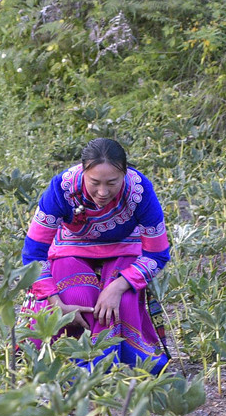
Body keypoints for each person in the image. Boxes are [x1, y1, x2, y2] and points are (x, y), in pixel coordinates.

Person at [22, 137, 171, 370]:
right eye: (94, 182)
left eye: (112, 182)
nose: (102, 192)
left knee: (120, 302)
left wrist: (118, 286)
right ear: (83, 172)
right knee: (76, 298)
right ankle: (68, 366)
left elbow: (158, 254)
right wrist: (54, 302)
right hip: (70, 247)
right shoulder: (61, 188)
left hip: (124, 246)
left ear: (125, 174)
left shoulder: (140, 191)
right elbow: (33, 254)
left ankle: (118, 364)